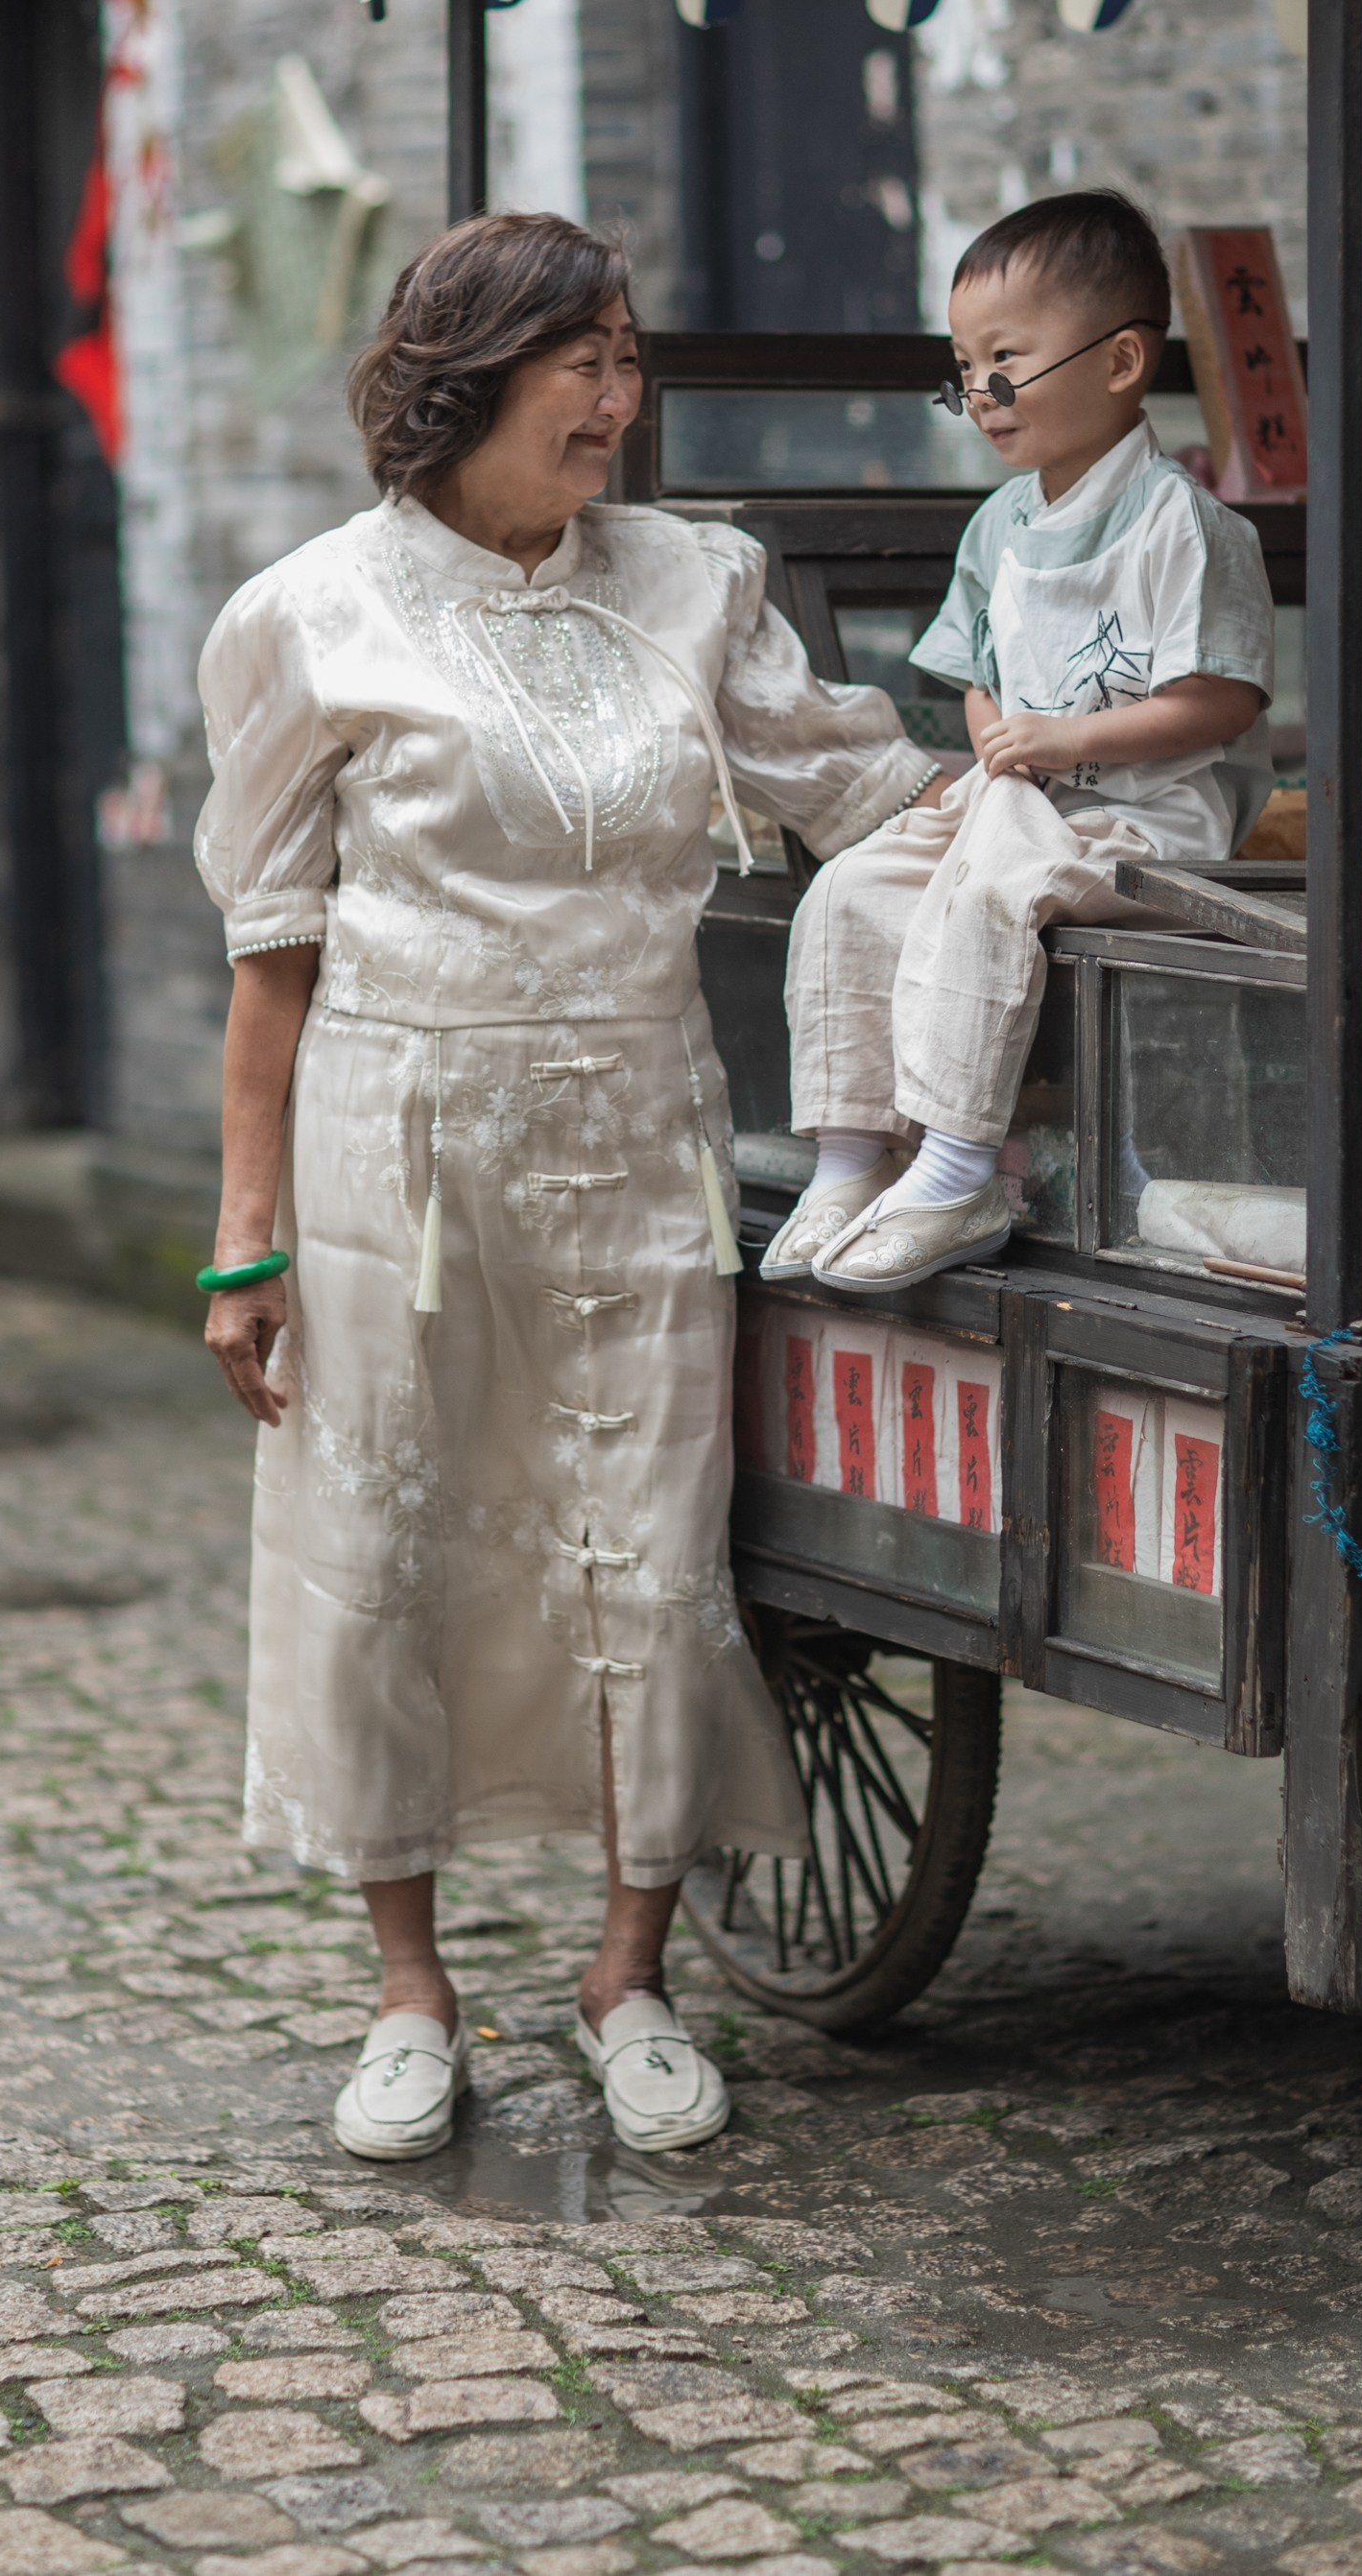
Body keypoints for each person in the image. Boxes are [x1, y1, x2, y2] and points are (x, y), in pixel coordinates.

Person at [193, 212, 936, 2161]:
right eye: (577, 362)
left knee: (644, 1541)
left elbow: (853, 784)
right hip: (395, 1152)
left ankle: (628, 1977)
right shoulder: (308, 615)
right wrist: (241, 1243)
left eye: (626, 359)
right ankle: (407, 1994)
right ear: (465, 382)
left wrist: (1069, 783)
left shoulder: (694, 583)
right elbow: (269, 969)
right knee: (387, 1550)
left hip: (636, 1141)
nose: (617, 399)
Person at [765, 189, 1275, 1295]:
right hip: (1022, 803)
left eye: (1006, 362)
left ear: (1121, 359)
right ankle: (852, 1159)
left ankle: (954, 1171)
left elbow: (1220, 704)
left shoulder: (1181, 524)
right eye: (965, 369)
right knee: (853, 889)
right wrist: (1001, 740)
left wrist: (1057, 740)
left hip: (1147, 821)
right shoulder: (998, 526)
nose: (981, 396)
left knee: (997, 890)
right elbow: (977, 684)